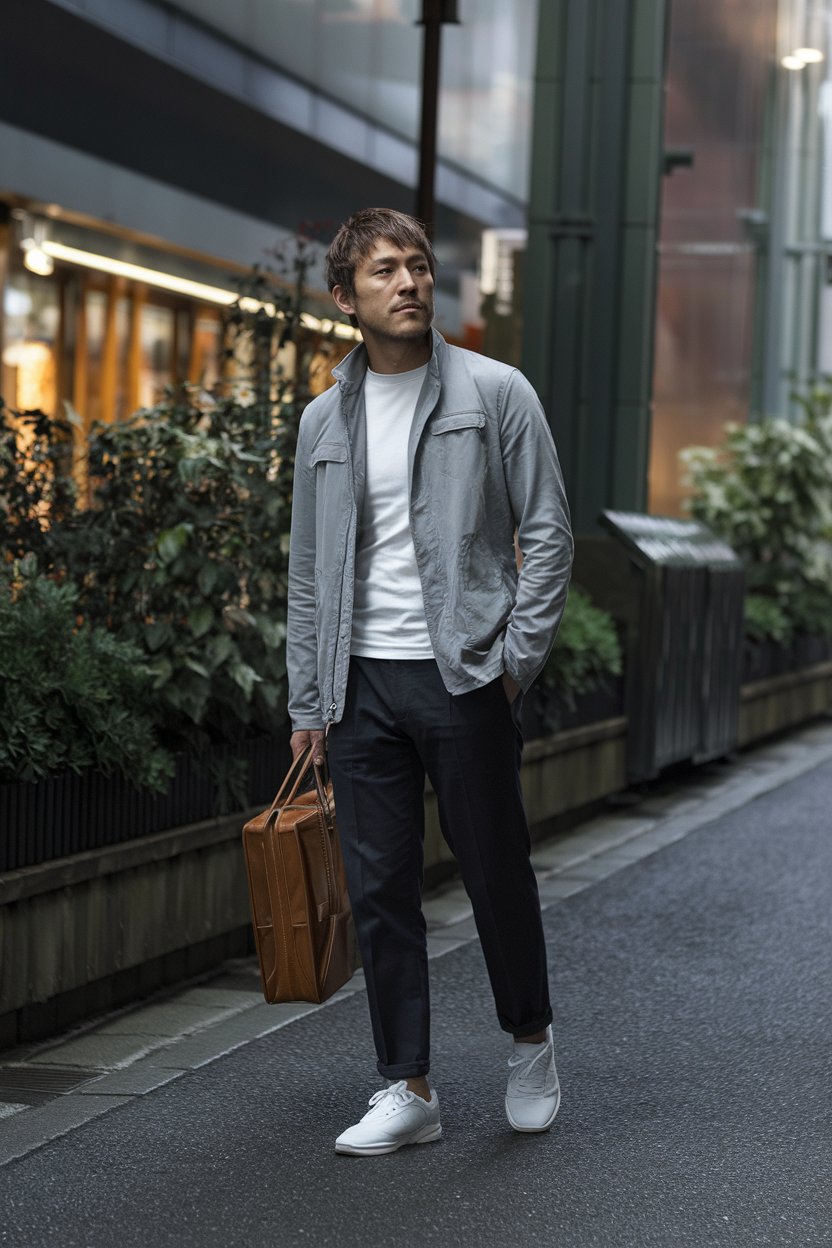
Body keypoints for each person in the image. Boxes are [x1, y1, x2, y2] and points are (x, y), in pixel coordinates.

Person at [286, 207, 573, 1156]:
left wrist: (511, 665)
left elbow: (548, 536)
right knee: (379, 889)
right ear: (344, 299)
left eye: (417, 267)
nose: (408, 283)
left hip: (463, 679)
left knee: (495, 871)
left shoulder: (494, 392)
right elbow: (308, 570)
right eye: (384, 272)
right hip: (361, 685)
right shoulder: (324, 419)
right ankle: (406, 1085)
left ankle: (529, 1042)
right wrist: (309, 703)